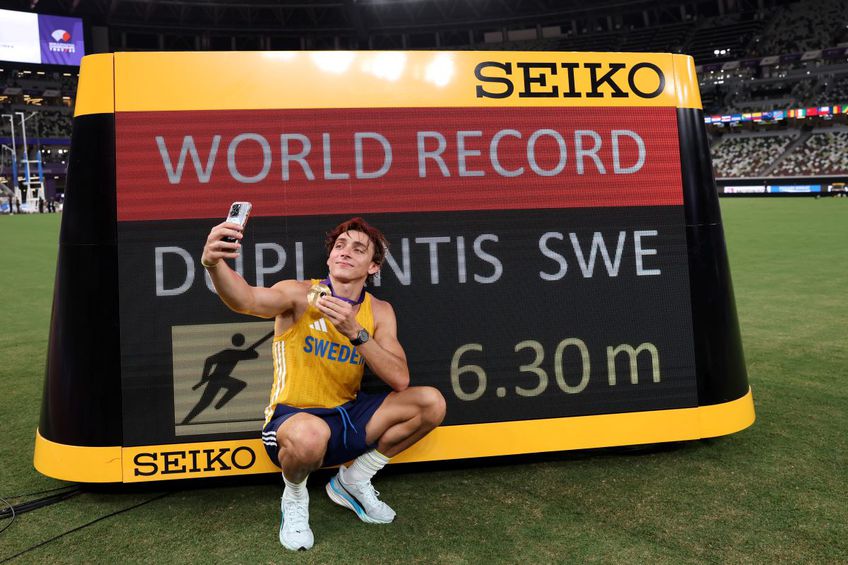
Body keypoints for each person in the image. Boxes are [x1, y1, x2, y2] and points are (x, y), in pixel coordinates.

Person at [201, 216, 446, 551]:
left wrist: (356, 333)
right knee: (310, 434)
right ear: (330, 257)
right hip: (294, 423)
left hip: (346, 418)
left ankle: (354, 481)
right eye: (339, 246)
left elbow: (400, 378)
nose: (345, 252)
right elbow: (246, 299)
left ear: (373, 267)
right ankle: (295, 497)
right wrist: (213, 263)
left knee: (431, 403)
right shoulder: (298, 294)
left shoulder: (380, 311)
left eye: (358, 249)